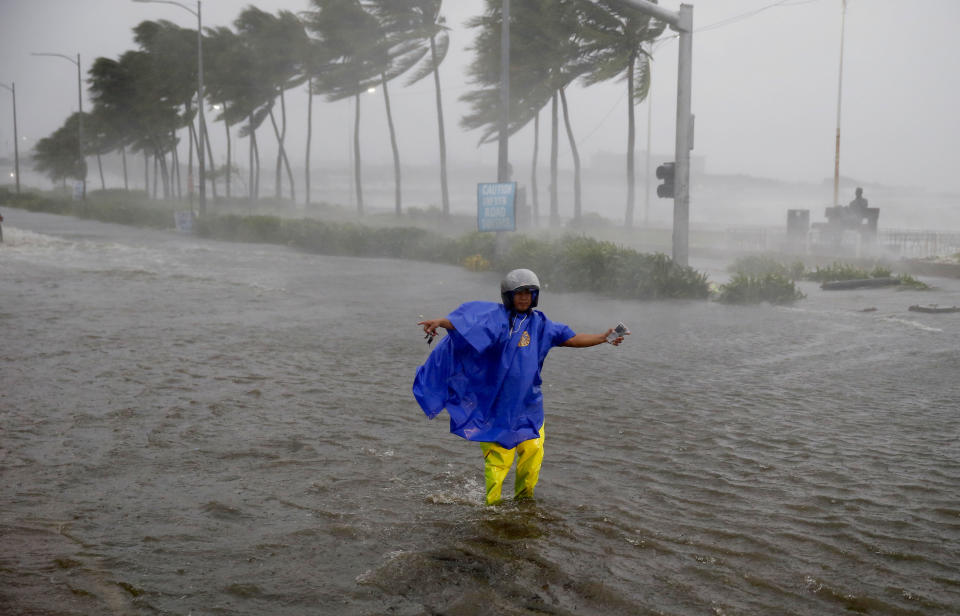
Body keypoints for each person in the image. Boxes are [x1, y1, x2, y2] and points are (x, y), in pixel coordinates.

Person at [413, 268, 626, 505]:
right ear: (508, 295)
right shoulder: (495, 319)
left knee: (533, 455)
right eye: (519, 293)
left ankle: (524, 504)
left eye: (529, 293)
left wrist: (602, 337)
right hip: (497, 409)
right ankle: (491, 510)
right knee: (498, 462)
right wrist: (442, 322)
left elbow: (572, 338)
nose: (524, 297)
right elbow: (468, 323)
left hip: (529, 406)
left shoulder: (541, 324)